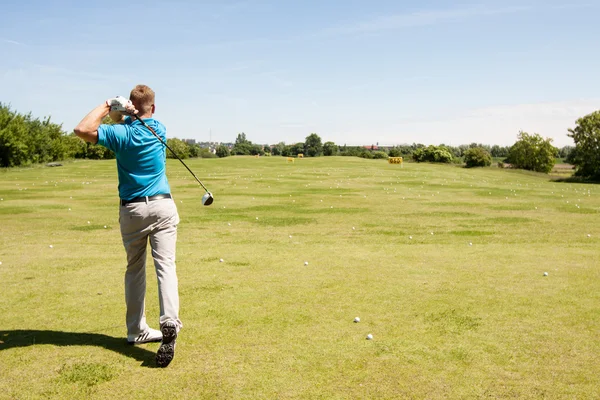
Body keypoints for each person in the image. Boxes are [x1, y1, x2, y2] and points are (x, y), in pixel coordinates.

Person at [74, 85, 182, 368]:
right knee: (166, 266)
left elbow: (82, 130)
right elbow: (135, 121)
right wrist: (131, 113)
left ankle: (136, 330)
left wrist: (108, 104)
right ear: (153, 108)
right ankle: (169, 322)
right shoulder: (159, 127)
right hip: (163, 206)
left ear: (128, 107)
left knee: (135, 269)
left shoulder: (120, 133)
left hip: (132, 210)